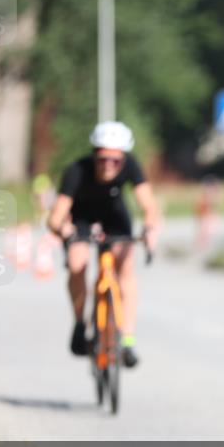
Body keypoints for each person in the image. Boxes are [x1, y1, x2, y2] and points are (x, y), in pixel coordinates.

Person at [47, 121, 160, 368]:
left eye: (116, 161)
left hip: (116, 217)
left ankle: (128, 340)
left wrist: (150, 230)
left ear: (123, 159)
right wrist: (65, 230)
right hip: (82, 219)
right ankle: (79, 324)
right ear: (94, 155)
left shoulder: (131, 165)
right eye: (103, 159)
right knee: (78, 263)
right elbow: (55, 217)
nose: (109, 165)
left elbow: (149, 206)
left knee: (125, 268)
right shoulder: (76, 171)